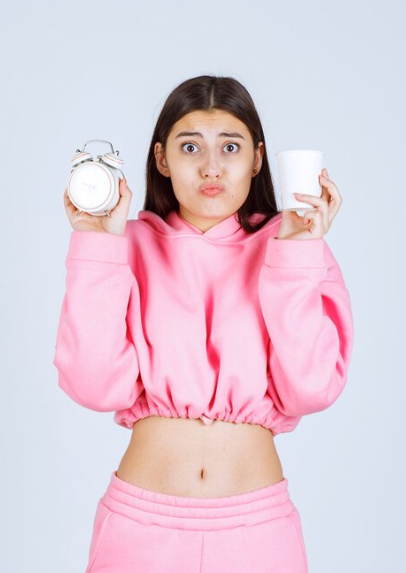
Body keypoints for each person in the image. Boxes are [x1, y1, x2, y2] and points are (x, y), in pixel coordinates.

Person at [54, 74, 354, 573]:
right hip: (139, 527)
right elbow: (93, 386)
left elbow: (311, 389)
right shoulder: (125, 244)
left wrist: (299, 255)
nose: (211, 167)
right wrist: (95, 246)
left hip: (257, 532)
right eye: (190, 146)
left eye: (230, 147)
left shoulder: (290, 245)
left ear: (257, 159)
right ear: (162, 159)